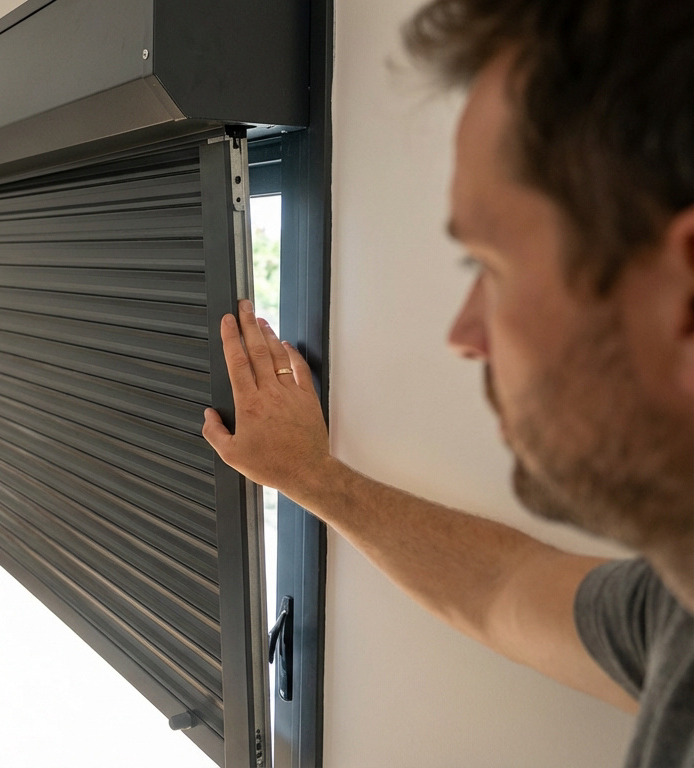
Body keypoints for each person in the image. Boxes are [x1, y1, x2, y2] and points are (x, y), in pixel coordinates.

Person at [201, 1, 694, 766]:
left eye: (489, 268)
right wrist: (311, 476)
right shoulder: (675, 619)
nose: (464, 336)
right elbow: (502, 587)